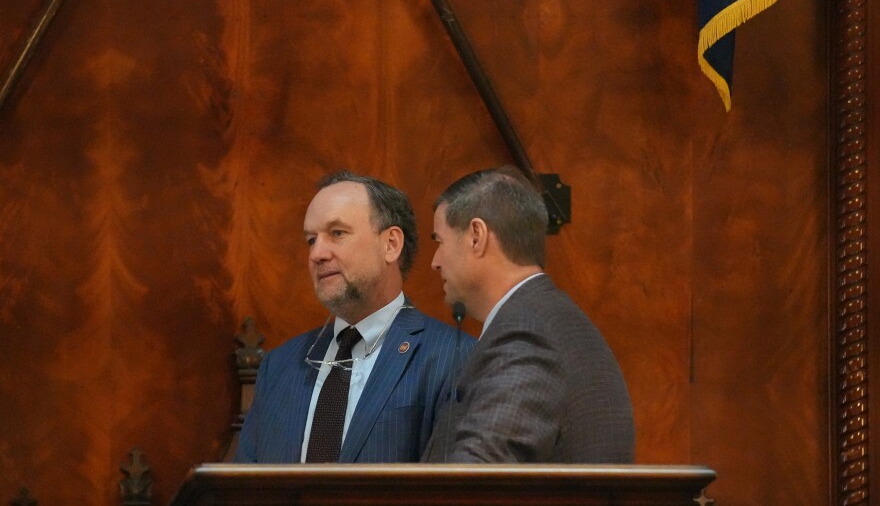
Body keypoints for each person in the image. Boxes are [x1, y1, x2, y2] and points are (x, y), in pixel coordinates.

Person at [235, 171, 474, 463]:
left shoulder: (454, 357)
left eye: (337, 233)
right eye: (311, 240)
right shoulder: (279, 367)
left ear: (391, 244)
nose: (317, 254)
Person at [423, 167, 635, 463]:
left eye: (439, 241)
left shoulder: (526, 335)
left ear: (476, 236)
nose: (435, 262)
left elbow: (475, 481)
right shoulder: (549, 319)